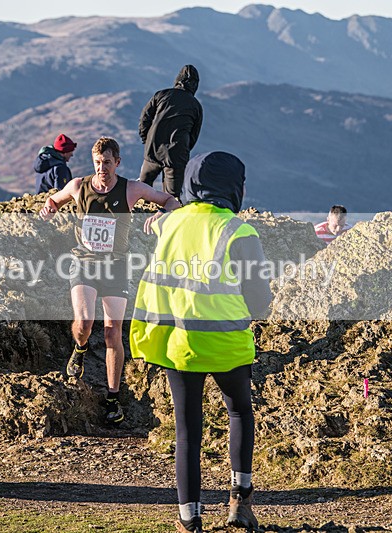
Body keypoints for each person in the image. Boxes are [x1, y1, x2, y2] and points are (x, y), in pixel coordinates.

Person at [130, 151, 273, 533]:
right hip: (228, 345)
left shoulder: (170, 224)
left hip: (179, 343)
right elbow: (260, 301)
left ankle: (189, 520)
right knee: (239, 410)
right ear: (234, 187)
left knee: (187, 430)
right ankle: (240, 503)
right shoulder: (239, 231)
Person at [40, 137, 181, 425]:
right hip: (84, 264)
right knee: (83, 323)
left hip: (116, 268)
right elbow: (54, 199)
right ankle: (79, 349)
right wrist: (49, 208)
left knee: (112, 334)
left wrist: (161, 213)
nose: (102, 168)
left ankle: (113, 398)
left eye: (107, 162)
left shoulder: (131, 189)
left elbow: (171, 200)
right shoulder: (79, 186)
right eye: (97, 163)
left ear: (117, 162)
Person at [138, 65, 203, 199]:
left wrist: (147, 140)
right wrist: (182, 149)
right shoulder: (195, 105)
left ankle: (140, 217)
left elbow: (144, 120)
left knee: (143, 190)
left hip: (153, 150)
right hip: (176, 156)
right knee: (171, 198)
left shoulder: (161, 95)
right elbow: (193, 136)